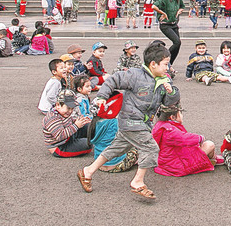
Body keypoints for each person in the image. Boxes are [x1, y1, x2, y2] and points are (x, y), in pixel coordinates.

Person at [77, 42, 180, 200]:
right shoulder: (135, 75)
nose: (168, 68)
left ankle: (88, 171)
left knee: (116, 148)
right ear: (153, 64)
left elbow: (169, 102)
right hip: (130, 120)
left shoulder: (163, 80)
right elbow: (113, 80)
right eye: (166, 64)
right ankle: (138, 182)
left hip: (143, 123)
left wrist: (171, 92)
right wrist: (102, 97)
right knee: (151, 148)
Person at [152, 102, 217, 177]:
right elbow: (184, 138)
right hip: (176, 166)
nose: (182, 116)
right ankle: (211, 159)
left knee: (197, 146)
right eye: (180, 114)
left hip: (166, 161)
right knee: (209, 144)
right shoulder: (169, 131)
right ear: (172, 117)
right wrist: (200, 138)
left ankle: (211, 159)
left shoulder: (160, 125)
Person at [43, 89, 92, 157]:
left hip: (68, 136)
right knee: (88, 143)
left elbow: (69, 121)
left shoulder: (63, 113)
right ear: (58, 105)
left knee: (88, 126)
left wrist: (79, 120)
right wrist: (76, 125)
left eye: (72, 109)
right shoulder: (52, 118)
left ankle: (100, 138)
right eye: (68, 108)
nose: (70, 111)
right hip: (60, 146)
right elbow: (60, 136)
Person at [153, 0, 185, 67]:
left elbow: (182, 6)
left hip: (174, 24)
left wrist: (179, 11)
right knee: (177, 42)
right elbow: (154, 6)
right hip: (165, 25)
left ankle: (169, 65)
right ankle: (163, 59)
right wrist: (162, 13)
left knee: (178, 45)